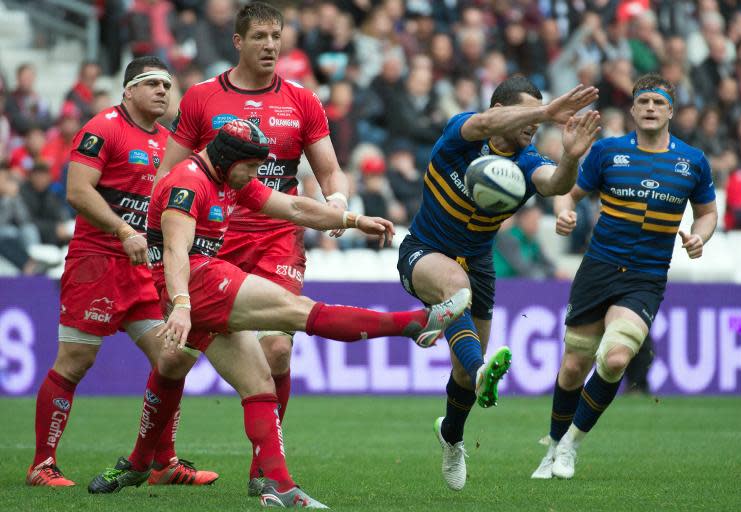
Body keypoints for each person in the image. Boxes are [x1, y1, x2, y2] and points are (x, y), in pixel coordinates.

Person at [87, 119, 470, 506]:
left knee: (252, 384)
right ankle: (414, 324)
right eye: (251, 168)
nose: (255, 176)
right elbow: (175, 251)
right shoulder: (188, 183)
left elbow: (292, 206)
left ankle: (167, 468)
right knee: (297, 311)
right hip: (198, 282)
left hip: (197, 285)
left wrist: (352, 221)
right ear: (227, 158)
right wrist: (183, 305)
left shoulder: (225, 176)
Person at [397, 75, 600, 491]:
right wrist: (545, 112)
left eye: (537, 119)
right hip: (423, 250)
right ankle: (483, 367)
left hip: (478, 265)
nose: (533, 126)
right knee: (455, 289)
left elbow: (555, 184)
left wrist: (571, 158)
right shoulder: (462, 132)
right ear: (500, 110)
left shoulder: (527, 162)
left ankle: (451, 436)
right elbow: (484, 125)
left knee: (463, 375)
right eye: (526, 114)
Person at [26, 56, 218, 488]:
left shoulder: (170, 142)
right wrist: (121, 228)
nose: (162, 92)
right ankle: (42, 464)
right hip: (96, 262)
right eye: (152, 84)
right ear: (128, 90)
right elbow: (77, 192)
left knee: (172, 358)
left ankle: (163, 462)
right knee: (75, 360)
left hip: (143, 269)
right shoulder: (103, 128)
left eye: (167, 86)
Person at [156, 1, 350, 424]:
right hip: (214, 239)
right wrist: (164, 236)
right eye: (259, 37)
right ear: (238, 42)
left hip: (279, 235)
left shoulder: (302, 100)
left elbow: (331, 171)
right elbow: (169, 173)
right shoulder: (202, 97)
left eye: (276, 37)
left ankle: (266, 465)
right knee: (174, 359)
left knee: (278, 349)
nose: (270, 46)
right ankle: (155, 460)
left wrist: (337, 203)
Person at [531, 73, 717, 480]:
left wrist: (700, 237)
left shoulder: (692, 162)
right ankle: (552, 445)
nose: (651, 108)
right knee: (572, 368)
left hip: (646, 276)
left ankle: (570, 446)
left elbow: (706, 213)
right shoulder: (607, 153)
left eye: (659, 102)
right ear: (633, 109)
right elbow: (569, 191)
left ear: (671, 111)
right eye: (644, 101)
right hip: (597, 269)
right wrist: (563, 211)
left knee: (616, 357)